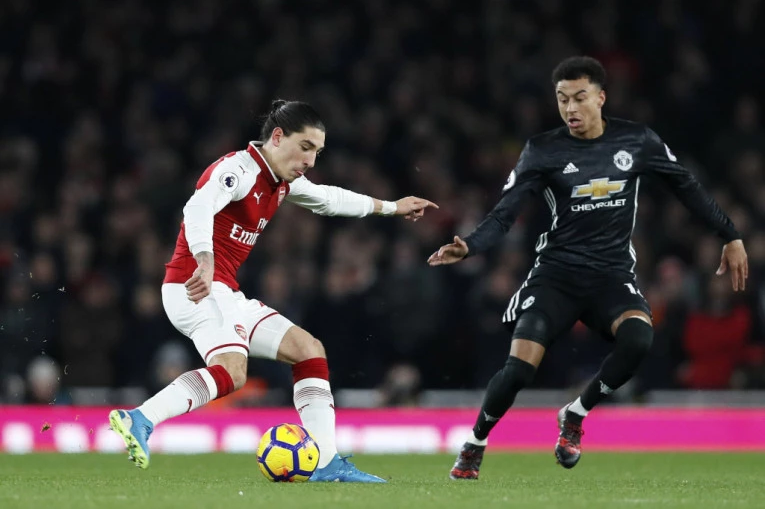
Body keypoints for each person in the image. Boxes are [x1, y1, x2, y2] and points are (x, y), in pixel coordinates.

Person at [427, 56, 748, 478]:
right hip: (556, 276)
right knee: (520, 368)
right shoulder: (543, 150)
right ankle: (475, 442)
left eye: (579, 97)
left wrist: (730, 235)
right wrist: (469, 245)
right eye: (562, 99)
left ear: (601, 98)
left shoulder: (637, 141)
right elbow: (505, 213)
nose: (570, 108)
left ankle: (576, 413)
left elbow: (687, 188)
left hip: (611, 276)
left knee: (638, 339)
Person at [109, 99, 437, 482]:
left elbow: (329, 199)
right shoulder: (238, 170)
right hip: (193, 285)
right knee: (232, 372)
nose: (310, 160)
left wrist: (392, 208)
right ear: (278, 137)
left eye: (317, 152)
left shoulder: (281, 181)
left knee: (308, 350)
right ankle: (141, 417)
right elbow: (197, 208)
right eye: (305, 147)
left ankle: (326, 461)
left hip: (225, 292)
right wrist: (204, 259)